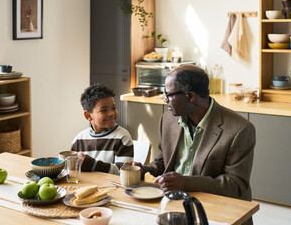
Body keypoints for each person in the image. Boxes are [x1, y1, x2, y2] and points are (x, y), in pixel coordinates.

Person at [130, 65, 256, 202]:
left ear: (190, 96)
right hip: (172, 201)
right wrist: (143, 170)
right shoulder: (168, 120)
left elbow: (236, 186)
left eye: (168, 94)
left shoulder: (239, 129)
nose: (164, 99)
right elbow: (162, 161)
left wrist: (185, 183)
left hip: (214, 207)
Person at [71, 84, 134, 175]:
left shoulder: (122, 137)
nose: (111, 113)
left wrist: (94, 165)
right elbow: (72, 170)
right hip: (85, 186)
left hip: (111, 188)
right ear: (88, 115)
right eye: (104, 110)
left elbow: (124, 171)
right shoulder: (79, 140)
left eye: (113, 108)